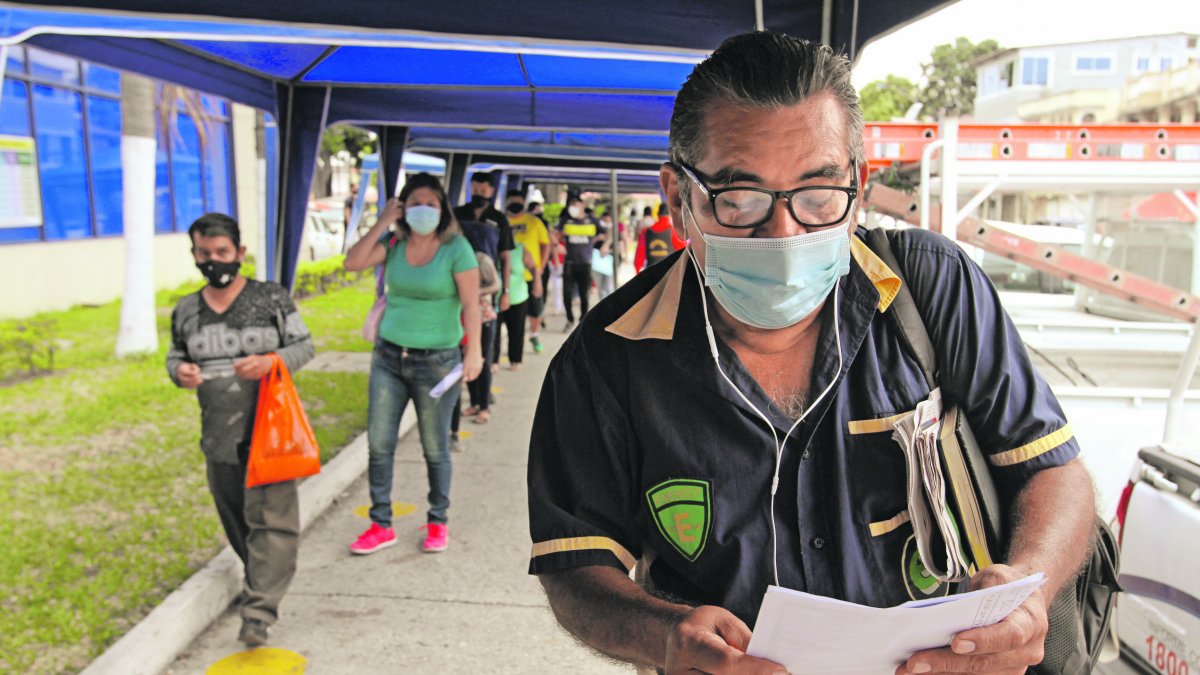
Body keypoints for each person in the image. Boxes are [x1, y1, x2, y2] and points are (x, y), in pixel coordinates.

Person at [527, 32, 1096, 675]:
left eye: (818, 196)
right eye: (739, 200)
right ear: (677, 195)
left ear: (857, 188)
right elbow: (575, 563)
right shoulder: (605, 360)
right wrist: (661, 635)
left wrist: (1030, 586)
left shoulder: (931, 289)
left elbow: (1054, 468)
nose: (784, 233)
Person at [167, 213, 315, 647]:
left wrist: (271, 362)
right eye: (204, 254)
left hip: (269, 433)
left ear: (239, 253)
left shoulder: (269, 298)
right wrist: (181, 372)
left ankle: (258, 612)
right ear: (194, 254)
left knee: (273, 524)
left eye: (222, 253)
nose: (213, 261)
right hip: (218, 437)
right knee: (238, 523)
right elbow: (174, 356)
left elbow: (305, 345)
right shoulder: (187, 310)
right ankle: (260, 583)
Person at [345, 172, 483, 555]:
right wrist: (382, 222)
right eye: (416, 202)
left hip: (438, 361)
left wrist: (475, 354)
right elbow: (352, 262)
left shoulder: (456, 248)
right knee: (379, 444)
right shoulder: (392, 241)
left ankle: (438, 521)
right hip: (389, 356)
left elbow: (471, 305)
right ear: (404, 207)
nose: (424, 209)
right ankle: (380, 523)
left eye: (432, 203)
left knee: (435, 447)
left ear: (443, 209)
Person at [454, 171, 515, 423]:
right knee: (463, 347)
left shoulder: (499, 219)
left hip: (488, 293)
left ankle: (484, 404)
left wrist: (506, 291)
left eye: (484, 189)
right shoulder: (458, 214)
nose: (480, 192)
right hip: (457, 293)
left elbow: (506, 258)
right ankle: (473, 400)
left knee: (484, 350)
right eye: (476, 188)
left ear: (491, 191)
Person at [505, 190, 549, 354]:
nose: (514, 203)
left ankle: (534, 334)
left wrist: (541, 267)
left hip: (531, 275)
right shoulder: (502, 221)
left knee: (535, 309)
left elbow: (546, 244)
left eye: (518, 200)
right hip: (508, 277)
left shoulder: (534, 222)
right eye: (511, 200)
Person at [555, 194, 604, 332]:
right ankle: (570, 319)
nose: (573, 208)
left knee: (584, 295)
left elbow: (607, 233)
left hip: (585, 263)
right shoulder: (566, 220)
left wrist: (604, 244)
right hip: (569, 263)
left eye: (576, 205)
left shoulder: (592, 221)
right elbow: (554, 234)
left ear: (582, 206)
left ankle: (583, 320)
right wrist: (556, 244)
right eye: (571, 206)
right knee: (567, 295)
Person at [634, 201, 686, 272]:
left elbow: (639, 256)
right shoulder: (674, 232)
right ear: (670, 215)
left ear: (658, 215)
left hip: (651, 273)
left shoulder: (646, 232)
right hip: (669, 274)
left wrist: (638, 271)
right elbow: (684, 253)